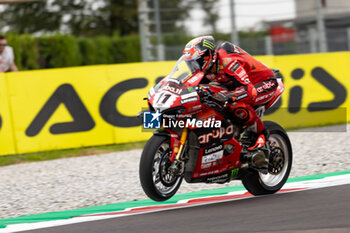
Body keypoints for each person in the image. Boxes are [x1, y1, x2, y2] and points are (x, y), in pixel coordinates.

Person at [183, 35, 280, 151]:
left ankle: (261, 135)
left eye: (196, 62)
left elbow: (249, 90)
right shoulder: (205, 69)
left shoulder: (227, 62)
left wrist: (229, 96)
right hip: (237, 86)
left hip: (263, 83)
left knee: (236, 104)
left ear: (207, 57)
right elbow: (188, 86)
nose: (194, 67)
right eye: (190, 64)